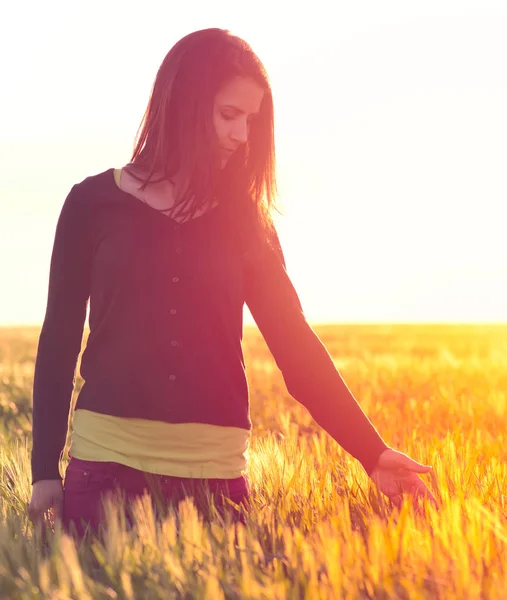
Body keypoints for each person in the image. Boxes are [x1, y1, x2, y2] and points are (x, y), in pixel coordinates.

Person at [28, 28, 439, 540]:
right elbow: (60, 339)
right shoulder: (91, 204)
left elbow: (296, 347)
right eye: (229, 114)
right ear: (181, 104)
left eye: (252, 119)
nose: (242, 135)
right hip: (105, 474)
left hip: (216, 487)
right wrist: (44, 468)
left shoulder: (247, 221)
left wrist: (372, 452)